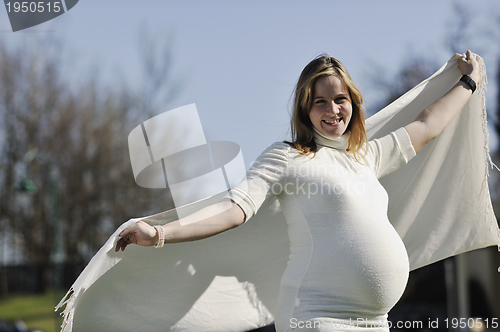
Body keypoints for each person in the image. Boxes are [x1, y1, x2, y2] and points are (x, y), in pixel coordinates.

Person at [114, 50, 480, 332]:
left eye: (340, 99)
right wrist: (160, 233)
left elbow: (427, 123)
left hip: (376, 320)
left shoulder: (368, 156)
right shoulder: (288, 157)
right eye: (320, 101)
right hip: (317, 316)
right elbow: (233, 209)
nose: (332, 109)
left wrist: (469, 83)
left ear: (353, 102)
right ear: (305, 109)